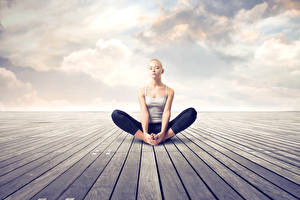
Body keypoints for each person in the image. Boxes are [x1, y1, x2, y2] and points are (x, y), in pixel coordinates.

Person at [111, 59, 197, 146]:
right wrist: (145, 133)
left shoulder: (170, 91)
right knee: (116, 114)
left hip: (164, 127)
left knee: (191, 112)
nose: (153, 70)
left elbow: (166, 112)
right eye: (150, 68)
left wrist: (163, 132)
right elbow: (144, 112)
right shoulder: (141, 91)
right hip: (145, 127)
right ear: (148, 71)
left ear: (162, 71)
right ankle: (146, 139)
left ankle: (163, 137)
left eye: (157, 67)